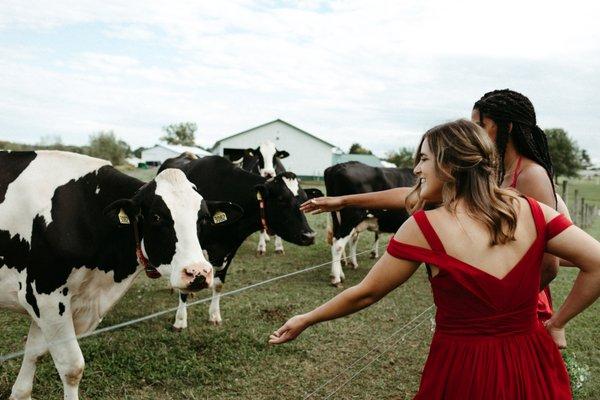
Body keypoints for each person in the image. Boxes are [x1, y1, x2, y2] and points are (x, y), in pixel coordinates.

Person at [271, 120, 600, 399]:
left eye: (424, 159)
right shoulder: (534, 211)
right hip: (533, 361)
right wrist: (557, 322)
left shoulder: (423, 228)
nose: (415, 169)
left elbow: (367, 292)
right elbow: (596, 262)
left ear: (449, 166)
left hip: (464, 369)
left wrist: (307, 318)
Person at [301, 89, 569, 346]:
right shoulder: (492, 173)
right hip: (486, 302)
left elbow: (548, 263)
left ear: (506, 128)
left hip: (514, 307)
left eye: (479, 125)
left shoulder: (529, 176)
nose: (472, 133)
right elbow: (414, 195)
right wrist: (345, 200)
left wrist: (497, 307)